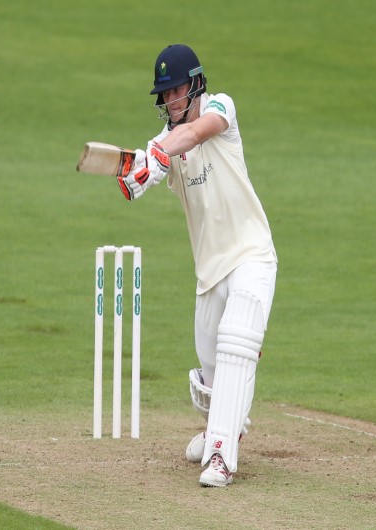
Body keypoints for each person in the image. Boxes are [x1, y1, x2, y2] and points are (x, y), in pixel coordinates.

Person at [117, 44, 277, 487]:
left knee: (237, 342)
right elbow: (149, 170)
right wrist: (138, 170)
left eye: (177, 90)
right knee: (212, 372)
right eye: (164, 94)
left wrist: (160, 153)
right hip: (209, 273)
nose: (171, 101)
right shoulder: (162, 142)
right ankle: (217, 428)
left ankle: (222, 457)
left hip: (251, 255)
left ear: (197, 84)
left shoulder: (220, 108)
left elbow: (192, 135)